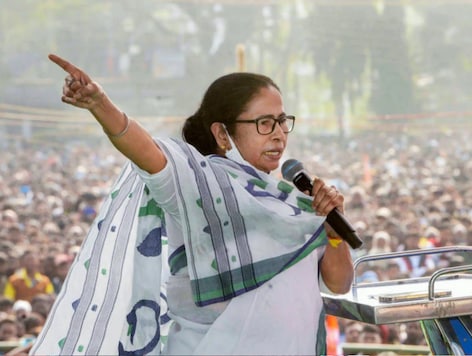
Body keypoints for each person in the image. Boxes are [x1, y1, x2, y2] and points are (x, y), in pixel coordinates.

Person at [31, 54, 354, 355]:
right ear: (223, 134)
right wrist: (101, 106)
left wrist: (332, 228)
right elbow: (148, 154)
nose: (279, 135)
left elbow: (338, 284)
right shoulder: (198, 188)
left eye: (283, 121)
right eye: (264, 123)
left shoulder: (295, 205)